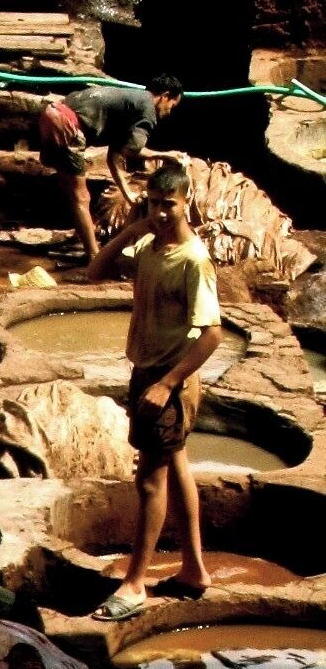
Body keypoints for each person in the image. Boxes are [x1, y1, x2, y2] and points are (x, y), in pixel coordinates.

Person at [88, 158, 220, 617]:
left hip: (169, 376)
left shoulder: (193, 260)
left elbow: (212, 334)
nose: (162, 213)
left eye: (170, 205)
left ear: (188, 204)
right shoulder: (150, 248)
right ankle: (194, 569)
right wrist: (132, 229)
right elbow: (95, 270)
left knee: (149, 479)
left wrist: (167, 383)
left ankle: (135, 583)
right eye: (154, 204)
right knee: (176, 464)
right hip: (147, 369)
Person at [36, 75, 183, 262]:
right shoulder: (147, 110)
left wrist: (127, 193)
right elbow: (133, 151)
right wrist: (166, 155)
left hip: (52, 114)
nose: (169, 112)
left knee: (72, 191)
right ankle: (95, 257)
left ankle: (81, 236)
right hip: (66, 124)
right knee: (81, 196)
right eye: (172, 106)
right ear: (165, 95)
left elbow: (114, 157)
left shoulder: (131, 102)